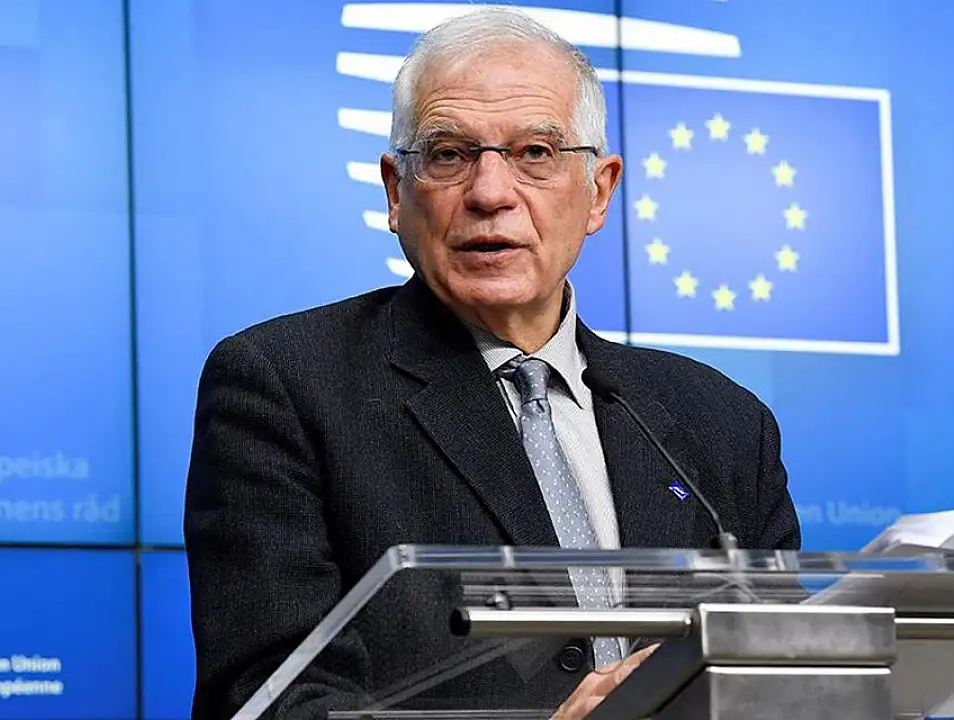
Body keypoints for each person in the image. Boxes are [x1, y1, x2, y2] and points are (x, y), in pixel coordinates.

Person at [183, 7, 801, 719]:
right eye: (448, 154)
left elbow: (791, 677)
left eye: (536, 152)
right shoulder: (284, 385)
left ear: (599, 191)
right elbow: (267, 699)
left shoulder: (722, 423)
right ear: (396, 191)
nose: (490, 193)